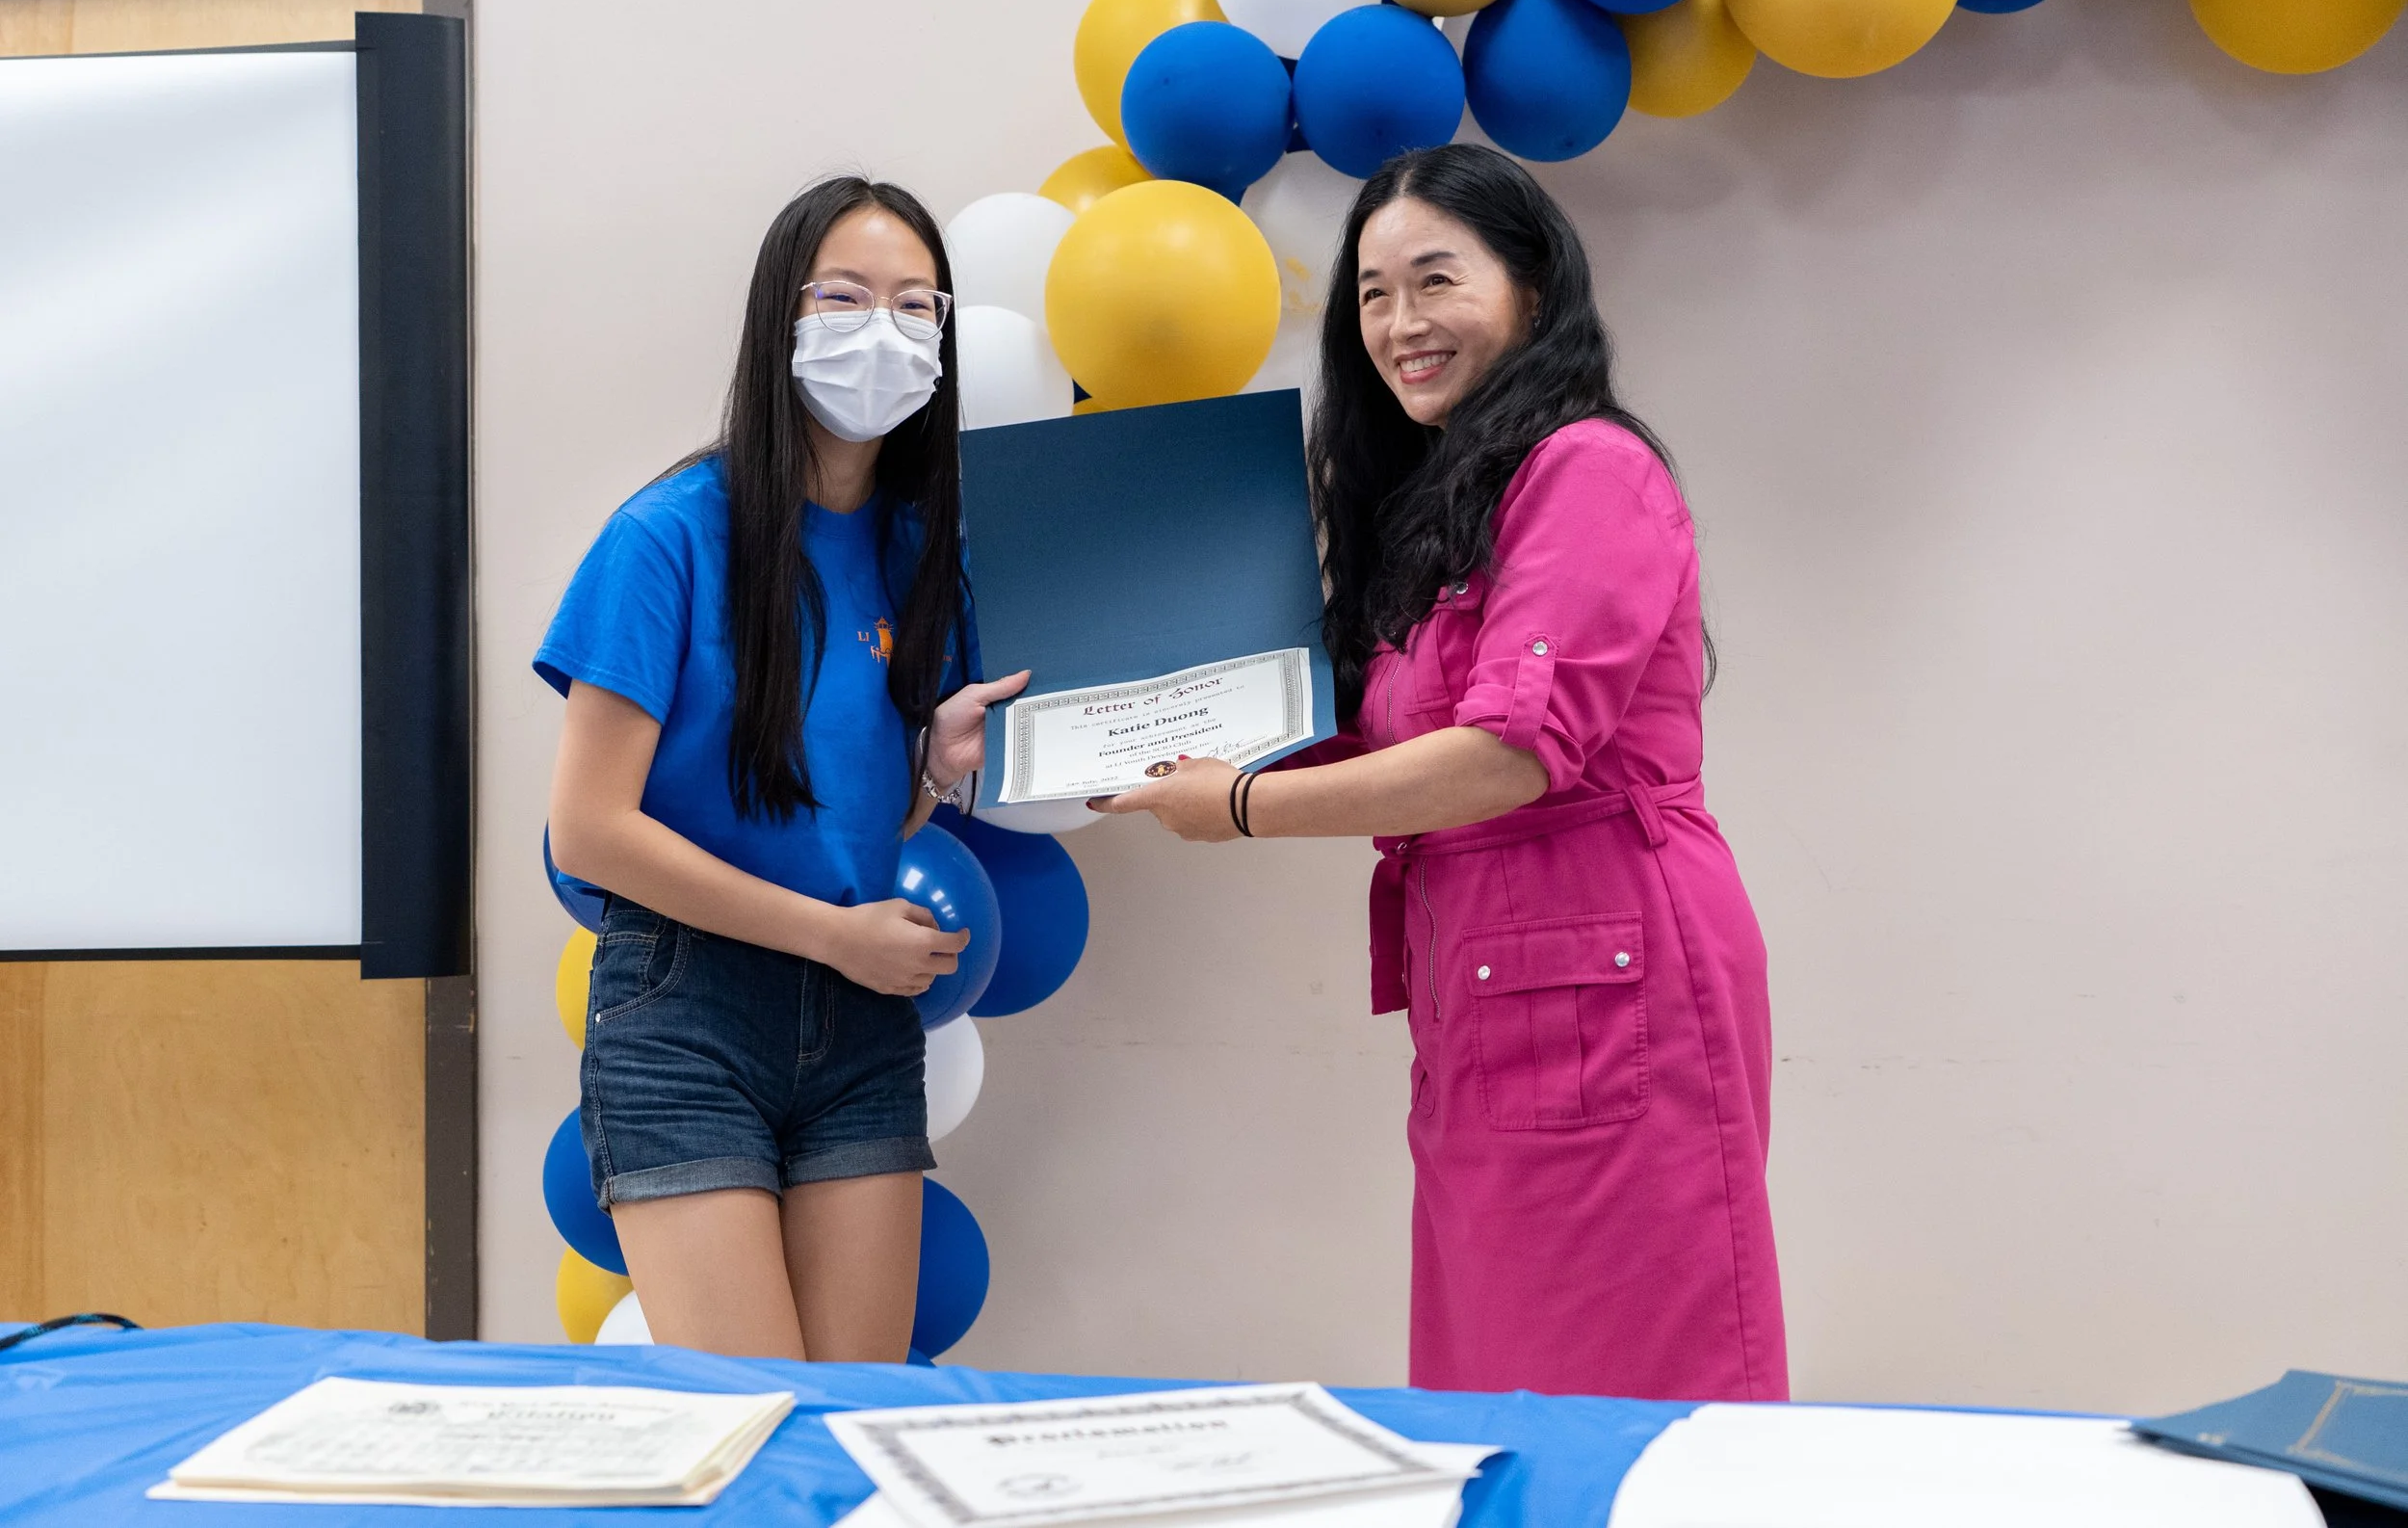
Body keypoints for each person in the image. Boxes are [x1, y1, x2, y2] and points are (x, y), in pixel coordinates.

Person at [1096, 144, 1786, 1401]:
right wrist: (1106, 723)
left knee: (1635, 1390)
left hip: (1615, 978)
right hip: (1488, 987)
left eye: (1434, 279)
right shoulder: (1448, 498)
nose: (1400, 323)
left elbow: (1509, 751)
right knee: (1496, 1381)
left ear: (1532, 286)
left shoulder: (1588, 465)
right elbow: (1377, 727)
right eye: (1371, 295)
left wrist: (1240, 806)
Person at [538, 177, 1025, 1361]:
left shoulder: (922, 549)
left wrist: (931, 768)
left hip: (858, 1023)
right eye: (845, 298)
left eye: (916, 307)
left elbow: (848, 818)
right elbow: (588, 830)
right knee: (753, 1417)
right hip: (687, 1011)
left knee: (853, 1416)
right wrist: (832, 935)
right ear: (781, 319)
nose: (883, 332)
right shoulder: (666, 534)